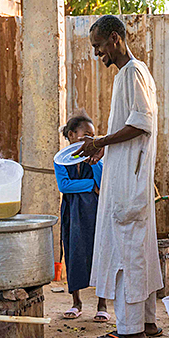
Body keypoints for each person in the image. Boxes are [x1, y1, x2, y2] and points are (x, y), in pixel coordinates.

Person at [75, 15, 163, 338]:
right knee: (139, 249)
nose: (97, 53)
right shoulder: (132, 73)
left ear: (115, 38)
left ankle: (130, 329)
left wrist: (100, 141)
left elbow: (141, 124)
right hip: (130, 176)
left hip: (130, 182)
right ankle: (147, 322)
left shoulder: (132, 72)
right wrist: (104, 148)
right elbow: (131, 128)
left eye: (98, 46)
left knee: (128, 252)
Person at [54, 110, 109, 321]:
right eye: (85, 135)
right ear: (70, 135)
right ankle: (76, 303)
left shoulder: (96, 158)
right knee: (73, 251)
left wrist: (95, 164)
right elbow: (64, 186)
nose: (89, 139)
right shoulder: (61, 159)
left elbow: (101, 183)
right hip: (72, 211)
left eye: (92, 136)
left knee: (99, 252)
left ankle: (102, 304)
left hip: (95, 210)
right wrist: (90, 186)